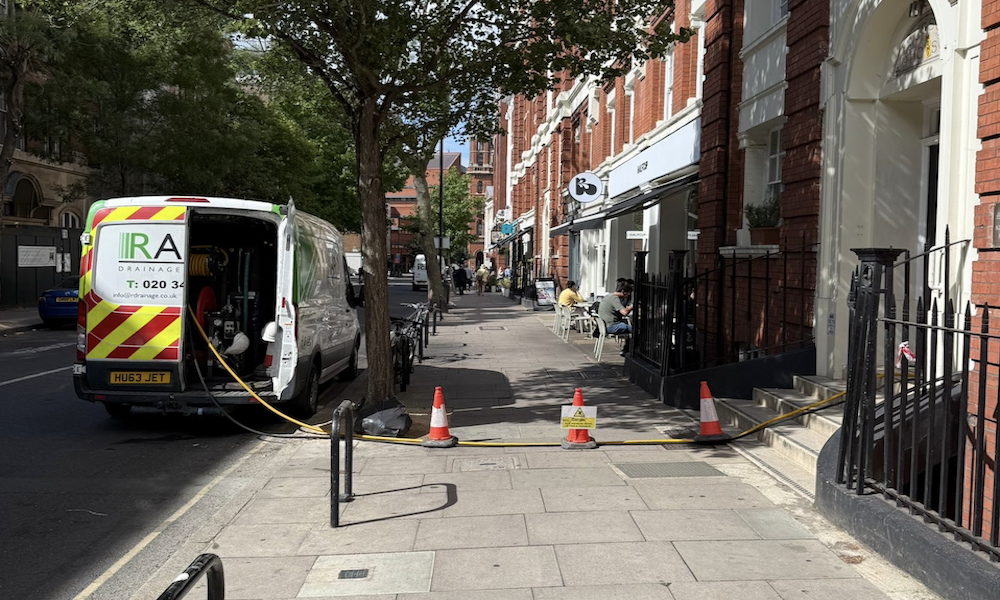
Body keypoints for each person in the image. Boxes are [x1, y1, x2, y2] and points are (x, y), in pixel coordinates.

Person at [597, 280, 633, 355]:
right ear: (623, 291)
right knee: (635, 330)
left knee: (628, 327)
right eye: (628, 293)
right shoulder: (615, 299)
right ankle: (628, 351)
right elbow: (624, 312)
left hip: (604, 326)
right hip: (611, 326)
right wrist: (631, 307)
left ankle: (626, 349)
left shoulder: (608, 296)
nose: (628, 296)